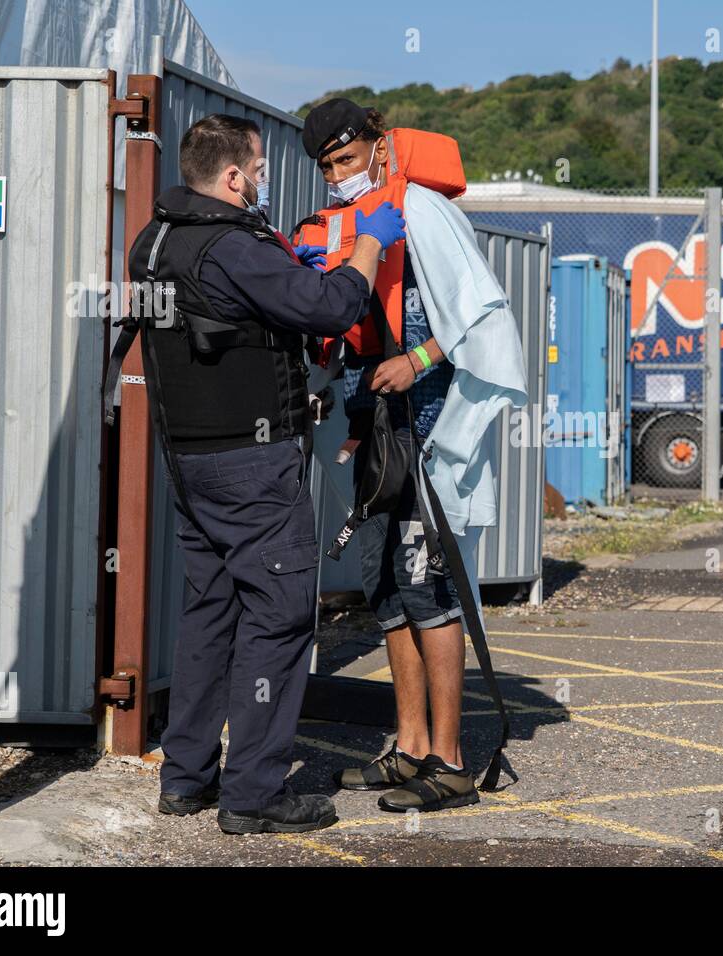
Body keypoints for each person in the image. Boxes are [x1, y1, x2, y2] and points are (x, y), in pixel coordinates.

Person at [118, 113, 406, 834]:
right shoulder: (235, 245)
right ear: (235, 176)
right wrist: (369, 239)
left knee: (211, 614)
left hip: (190, 460)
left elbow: (231, 314)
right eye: (261, 171)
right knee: (278, 617)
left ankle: (185, 778)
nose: (266, 184)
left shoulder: (151, 241)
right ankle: (253, 794)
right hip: (253, 464)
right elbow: (333, 305)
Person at [294, 99, 527, 812]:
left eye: (348, 158)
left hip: (428, 427)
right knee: (386, 592)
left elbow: (487, 319)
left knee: (430, 587)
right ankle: (408, 745)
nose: (341, 176)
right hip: (370, 430)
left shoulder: (422, 210)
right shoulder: (345, 228)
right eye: (328, 167)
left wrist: (420, 357)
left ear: (379, 145)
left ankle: (450, 760)